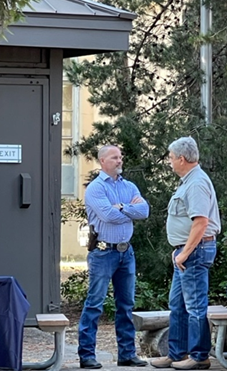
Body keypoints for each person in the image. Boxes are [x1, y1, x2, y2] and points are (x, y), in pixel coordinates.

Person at [150, 138, 220, 370]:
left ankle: (200, 357)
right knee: (177, 305)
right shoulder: (187, 182)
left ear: (181, 158)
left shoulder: (197, 183)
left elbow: (201, 222)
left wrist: (185, 253)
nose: (169, 162)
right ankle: (176, 354)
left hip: (195, 251)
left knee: (195, 306)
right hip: (185, 252)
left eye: (171, 158)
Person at [78, 145, 150, 369]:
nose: (120, 161)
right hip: (102, 251)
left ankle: (127, 354)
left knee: (126, 305)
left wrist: (121, 207)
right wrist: (129, 210)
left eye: (121, 157)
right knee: (95, 304)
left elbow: (145, 211)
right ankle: (87, 354)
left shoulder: (129, 186)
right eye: (114, 157)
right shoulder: (95, 189)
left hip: (125, 252)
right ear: (102, 161)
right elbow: (108, 216)